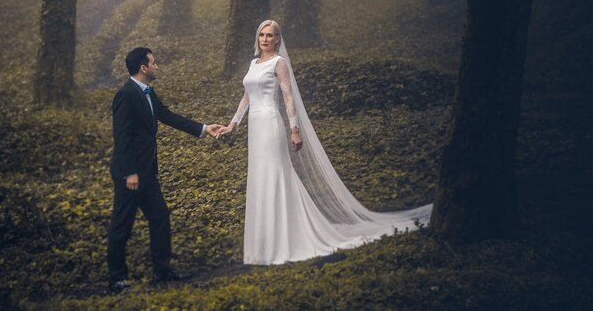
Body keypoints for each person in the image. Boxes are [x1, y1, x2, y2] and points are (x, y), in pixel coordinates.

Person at [219, 20, 432, 265]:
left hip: (270, 123)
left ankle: (285, 238)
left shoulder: (279, 63)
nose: (265, 39)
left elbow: (288, 96)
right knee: (260, 176)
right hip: (255, 128)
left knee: (276, 175)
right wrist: (233, 124)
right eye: (262, 35)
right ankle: (264, 242)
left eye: (270, 35)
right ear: (258, 38)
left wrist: (295, 130)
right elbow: (247, 96)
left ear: (278, 39)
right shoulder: (253, 63)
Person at [107, 47, 221, 293]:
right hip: (130, 175)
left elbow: (167, 116)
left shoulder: (149, 93)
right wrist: (130, 173)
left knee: (159, 217)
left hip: (147, 172)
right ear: (143, 68)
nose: (157, 66)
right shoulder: (126, 95)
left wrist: (203, 128)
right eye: (154, 63)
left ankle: (162, 272)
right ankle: (116, 280)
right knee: (122, 225)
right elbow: (122, 137)